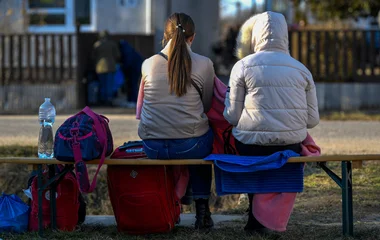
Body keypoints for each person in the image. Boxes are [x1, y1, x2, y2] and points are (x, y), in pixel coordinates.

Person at [223, 11, 319, 233]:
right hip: (289, 144)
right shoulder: (301, 70)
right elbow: (312, 120)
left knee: (246, 147)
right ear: (284, 35)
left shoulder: (243, 66)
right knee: (283, 152)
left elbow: (232, 117)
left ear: (255, 35)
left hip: (250, 145)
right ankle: (270, 216)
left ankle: (254, 214)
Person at [137, 13, 215, 229]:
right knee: (205, 137)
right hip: (190, 146)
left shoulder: (148, 64)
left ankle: (169, 204)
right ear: (193, 37)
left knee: (187, 137)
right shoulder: (205, 64)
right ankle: (202, 211)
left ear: (165, 35)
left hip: (152, 146)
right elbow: (206, 106)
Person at [92, 30, 121, 106]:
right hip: (110, 66)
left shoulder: (97, 44)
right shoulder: (112, 44)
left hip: (100, 67)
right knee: (109, 85)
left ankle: (102, 101)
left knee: (102, 85)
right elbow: (117, 55)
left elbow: (93, 56)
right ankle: (109, 100)